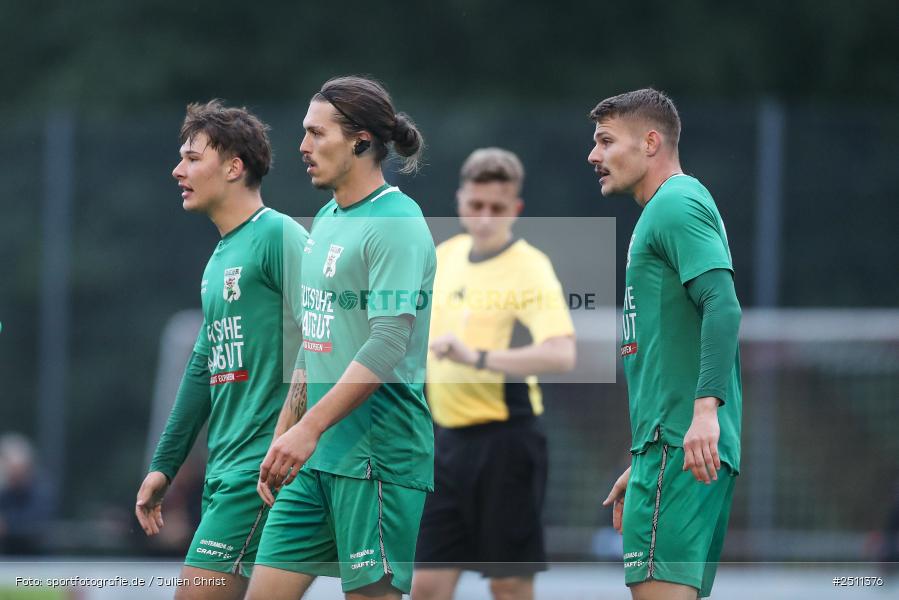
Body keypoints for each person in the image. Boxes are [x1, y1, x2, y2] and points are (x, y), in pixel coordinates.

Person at [246, 76, 436, 600]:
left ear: (361, 141)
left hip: (377, 459)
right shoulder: (328, 218)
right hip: (314, 458)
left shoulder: (398, 222)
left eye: (315, 133)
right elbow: (317, 336)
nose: (302, 148)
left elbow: (388, 341)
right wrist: (286, 431)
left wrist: (307, 429)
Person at [135, 100, 308, 600]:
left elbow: (325, 339)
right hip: (225, 473)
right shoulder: (219, 259)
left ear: (234, 167)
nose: (178, 170)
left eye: (192, 158)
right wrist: (164, 465)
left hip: (261, 474)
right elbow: (201, 368)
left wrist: (286, 440)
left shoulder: (277, 235)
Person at [589, 89, 742, 600]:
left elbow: (723, 306)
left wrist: (702, 414)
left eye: (606, 141)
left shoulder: (675, 203)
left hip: (679, 445)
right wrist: (644, 459)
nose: (594, 156)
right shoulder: (666, 209)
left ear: (650, 142)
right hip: (669, 444)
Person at [412, 148, 576, 600]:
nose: (485, 217)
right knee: (425, 586)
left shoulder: (531, 267)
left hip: (507, 443)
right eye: (476, 205)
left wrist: (478, 358)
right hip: (443, 445)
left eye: (497, 208)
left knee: (507, 585)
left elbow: (561, 354)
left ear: (515, 210)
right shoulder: (443, 256)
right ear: (460, 200)